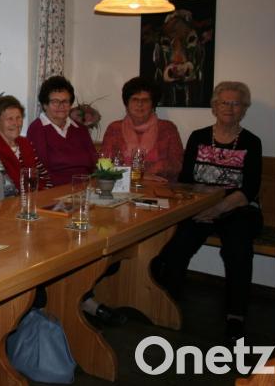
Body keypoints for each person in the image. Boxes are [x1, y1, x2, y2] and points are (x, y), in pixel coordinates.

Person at [152, 81, 263, 342]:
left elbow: (249, 189)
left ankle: (236, 315)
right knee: (177, 244)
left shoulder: (251, 142)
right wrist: (199, 208)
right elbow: (186, 179)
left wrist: (217, 209)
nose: (229, 108)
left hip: (238, 208)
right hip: (200, 206)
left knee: (238, 249)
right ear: (214, 106)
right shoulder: (199, 137)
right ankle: (169, 301)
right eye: (224, 102)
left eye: (236, 103)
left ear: (244, 109)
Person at [100, 77, 184, 181]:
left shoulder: (167, 128)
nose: (140, 104)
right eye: (135, 99)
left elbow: (176, 164)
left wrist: (150, 171)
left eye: (145, 100)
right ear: (127, 104)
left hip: (159, 188)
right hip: (121, 186)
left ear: (153, 105)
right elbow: (104, 163)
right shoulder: (114, 128)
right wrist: (136, 175)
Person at [27, 75, 97, 186]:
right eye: (55, 101)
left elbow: (94, 163)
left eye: (65, 101)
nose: (61, 106)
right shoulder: (37, 129)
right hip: (56, 192)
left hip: (86, 189)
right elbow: (40, 172)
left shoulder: (81, 129)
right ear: (45, 105)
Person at [0, 95, 53, 191]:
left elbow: (44, 178)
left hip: (35, 199)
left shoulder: (25, 143)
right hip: (9, 203)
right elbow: (2, 187)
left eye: (18, 118)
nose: (16, 123)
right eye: (10, 119)